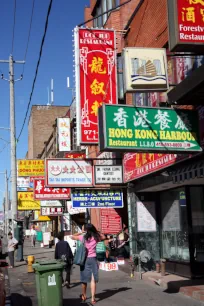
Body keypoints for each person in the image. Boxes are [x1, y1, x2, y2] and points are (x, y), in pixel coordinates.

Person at [71, 224, 104, 304]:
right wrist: (96, 231)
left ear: (86, 230)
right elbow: (103, 236)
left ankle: (84, 295)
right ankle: (93, 298)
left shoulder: (83, 237)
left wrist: (81, 232)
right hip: (93, 259)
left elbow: (72, 236)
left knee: (84, 279)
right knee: (93, 280)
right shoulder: (96, 237)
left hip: (84, 259)